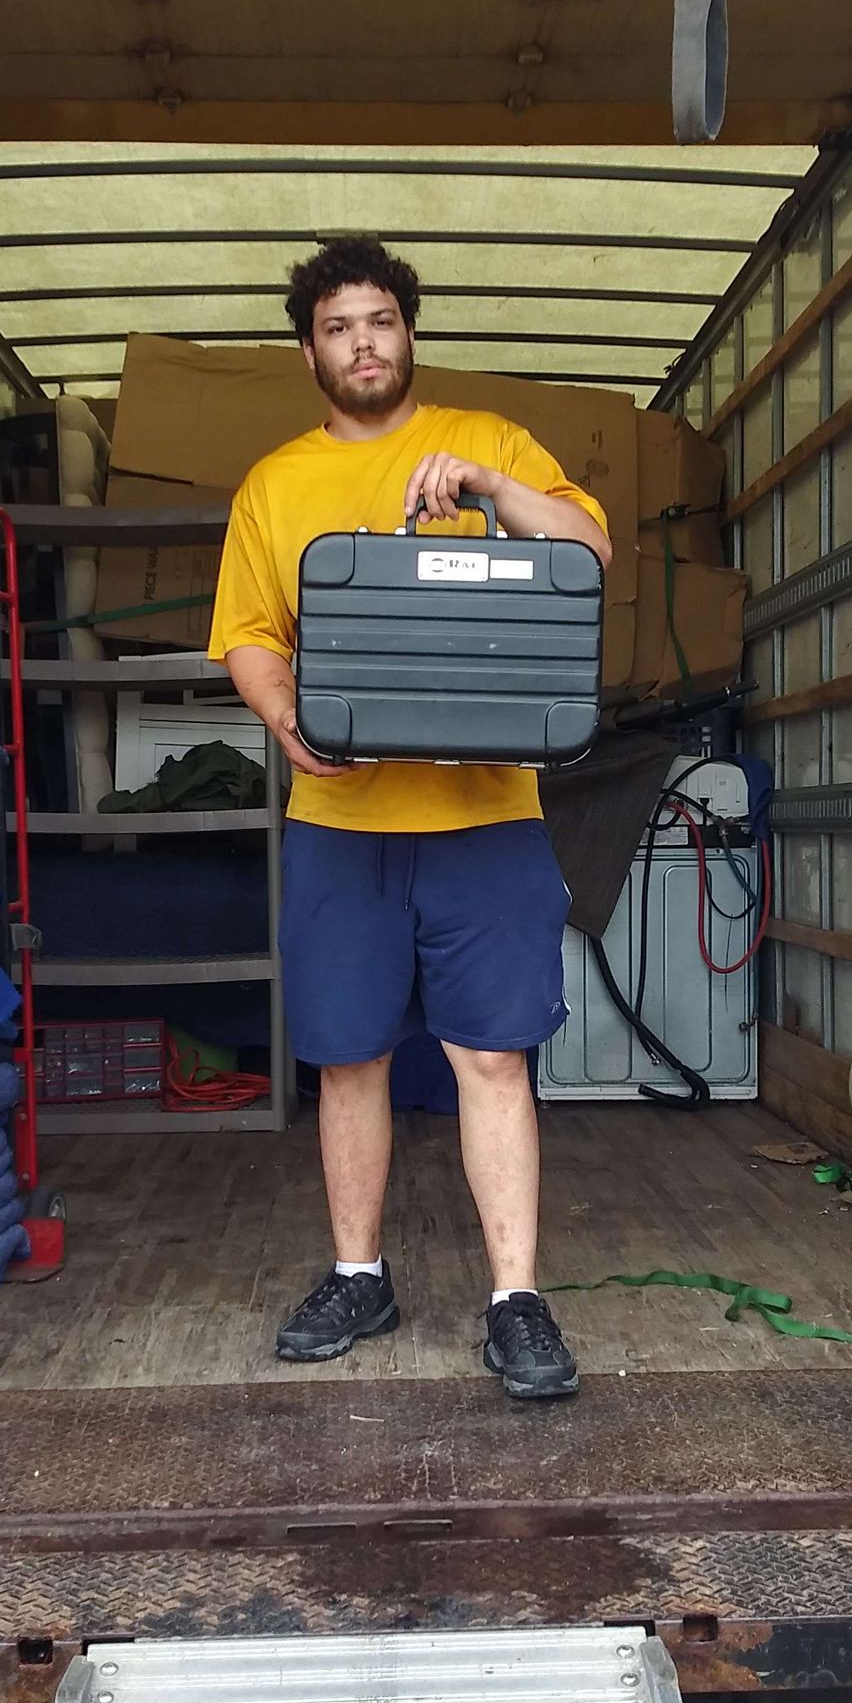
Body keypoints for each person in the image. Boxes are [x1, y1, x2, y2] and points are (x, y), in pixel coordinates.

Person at [207, 236, 611, 1400]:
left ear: (409, 333)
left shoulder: (488, 445)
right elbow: (248, 633)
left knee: (493, 1056)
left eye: (380, 320)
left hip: (489, 817)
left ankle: (516, 1299)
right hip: (342, 823)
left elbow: (588, 549)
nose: (363, 343)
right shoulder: (275, 485)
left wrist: (487, 490)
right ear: (310, 351)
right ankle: (357, 1273)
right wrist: (288, 722)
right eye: (338, 327)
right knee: (347, 1058)